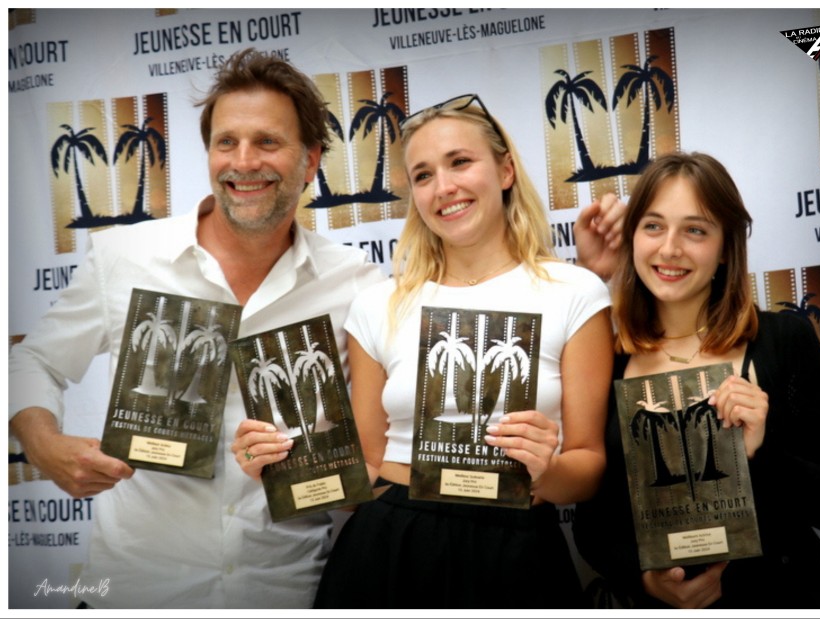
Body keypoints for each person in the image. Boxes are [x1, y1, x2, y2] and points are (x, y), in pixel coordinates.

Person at [8, 48, 385, 608]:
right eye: (226, 142)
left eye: (268, 141)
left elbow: (370, 461)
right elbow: (32, 360)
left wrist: (303, 472)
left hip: (282, 591)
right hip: (131, 592)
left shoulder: (356, 284)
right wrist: (45, 446)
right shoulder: (125, 257)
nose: (244, 161)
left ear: (310, 161)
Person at [235, 93, 614, 608]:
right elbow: (368, 471)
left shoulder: (575, 291)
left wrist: (546, 469)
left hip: (517, 550)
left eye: (460, 162)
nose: (445, 187)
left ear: (505, 170)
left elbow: (588, 466)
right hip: (389, 546)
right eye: (423, 175)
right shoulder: (380, 304)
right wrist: (283, 468)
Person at [571, 152, 820, 609]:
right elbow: (591, 526)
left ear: (726, 246)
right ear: (632, 238)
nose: (670, 248)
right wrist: (646, 581)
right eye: (653, 226)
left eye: (695, 230)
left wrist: (760, 451)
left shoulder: (784, 341)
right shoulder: (606, 361)